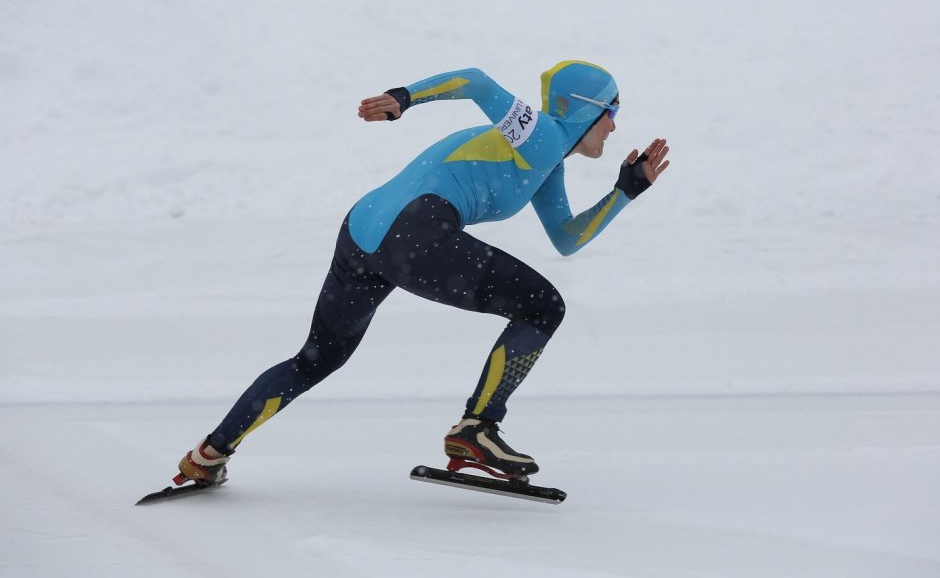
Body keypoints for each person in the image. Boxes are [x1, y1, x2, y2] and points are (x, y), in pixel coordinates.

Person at [175, 62, 670, 486]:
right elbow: (476, 82)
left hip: (364, 229)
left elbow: (566, 237)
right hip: (413, 233)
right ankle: (478, 426)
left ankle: (210, 454)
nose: (614, 127)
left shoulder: (547, 164)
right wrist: (402, 98)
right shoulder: (542, 134)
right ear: (588, 110)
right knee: (544, 307)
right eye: (613, 113)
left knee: (315, 359)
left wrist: (624, 193)